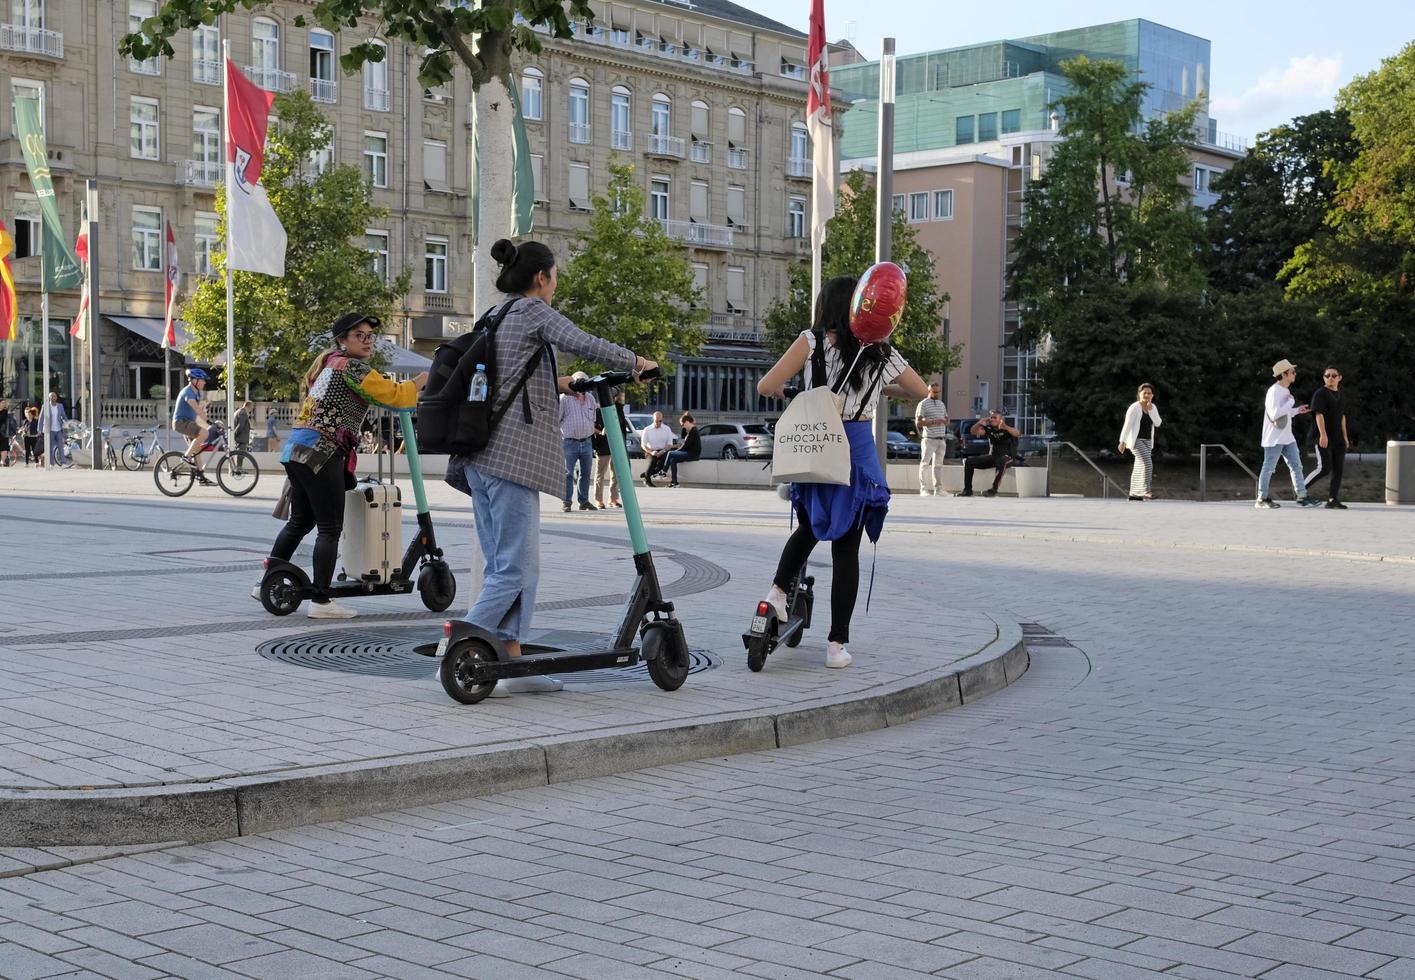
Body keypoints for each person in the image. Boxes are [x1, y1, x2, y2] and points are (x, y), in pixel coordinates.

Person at [450, 238, 656, 697]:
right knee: (516, 570)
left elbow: (508, 377)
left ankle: (515, 666)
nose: (556, 283)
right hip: (511, 460)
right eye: (555, 275)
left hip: (480, 458)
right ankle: (461, 643)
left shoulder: (497, 315)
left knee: (507, 565)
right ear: (541, 276)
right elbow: (583, 341)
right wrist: (637, 363)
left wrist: (561, 382)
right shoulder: (533, 311)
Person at [756, 275, 929, 669]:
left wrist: (798, 393)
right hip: (855, 451)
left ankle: (779, 593)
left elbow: (768, 384)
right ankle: (836, 646)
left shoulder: (811, 341)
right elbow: (921, 391)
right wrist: (878, 389)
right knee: (846, 550)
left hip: (817, 442)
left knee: (808, 527)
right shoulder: (880, 352)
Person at [262, 313, 428, 618]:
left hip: (297, 449)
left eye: (370, 336)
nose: (367, 341)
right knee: (329, 529)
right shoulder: (351, 366)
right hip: (322, 453)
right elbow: (393, 394)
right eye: (359, 336)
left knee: (299, 522)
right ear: (342, 340)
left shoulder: (328, 363)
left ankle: (267, 583)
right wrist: (421, 381)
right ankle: (321, 601)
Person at [1256, 358, 1319, 509]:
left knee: (1296, 466)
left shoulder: (1285, 391)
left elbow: (1284, 414)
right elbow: (1275, 413)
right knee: (1268, 467)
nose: (1294, 374)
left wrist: (1297, 410)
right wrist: (1290, 403)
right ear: (1284, 374)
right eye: (1292, 372)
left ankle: (1302, 496)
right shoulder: (1274, 391)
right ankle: (1261, 499)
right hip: (1274, 438)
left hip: (1286, 437)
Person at [1305, 365, 1351, 509]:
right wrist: (1323, 435)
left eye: (1333, 375)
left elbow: (1343, 416)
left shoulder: (1342, 395)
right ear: (1324, 378)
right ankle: (1300, 489)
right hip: (1322, 436)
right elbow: (1319, 414)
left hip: (1338, 438)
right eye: (1327, 376)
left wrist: (1345, 437)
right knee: (1324, 468)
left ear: (1339, 377)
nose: (1330, 378)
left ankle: (1333, 500)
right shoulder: (1320, 394)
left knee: (1338, 469)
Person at [559, 370, 598, 512]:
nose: (582, 386)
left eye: (584, 382)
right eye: (578, 382)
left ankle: (584, 501)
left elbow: (593, 418)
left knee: (586, 473)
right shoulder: (564, 398)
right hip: (569, 442)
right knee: (567, 473)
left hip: (587, 441)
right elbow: (557, 419)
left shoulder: (591, 399)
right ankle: (566, 501)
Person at [958, 411, 1020, 497]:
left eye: (995, 418)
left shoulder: (1007, 430)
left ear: (1000, 419)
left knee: (1002, 461)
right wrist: (979, 423)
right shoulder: (990, 429)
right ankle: (967, 490)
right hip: (994, 457)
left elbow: (1017, 433)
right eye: (991, 417)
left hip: (1008, 458)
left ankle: (993, 490)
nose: (992, 419)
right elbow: (973, 431)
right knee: (969, 461)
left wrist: (1004, 426)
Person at [1118, 383, 1162, 500]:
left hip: (1147, 441)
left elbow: (1158, 423)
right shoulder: (1134, 407)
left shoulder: (1153, 407)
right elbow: (1127, 425)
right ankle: (1146, 490)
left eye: (1149, 393)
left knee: (1139, 465)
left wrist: (1151, 410)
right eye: (1144, 393)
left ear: (1152, 395)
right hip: (1135, 441)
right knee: (1147, 463)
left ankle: (1134, 493)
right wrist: (1122, 441)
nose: (1147, 395)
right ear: (1139, 394)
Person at [172, 369, 214, 485]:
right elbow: (195, 408)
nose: (204, 383)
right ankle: (186, 457)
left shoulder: (196, 393)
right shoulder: (188, 392)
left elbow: (197, 412)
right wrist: (205, 419)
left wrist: (208, 420)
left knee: (197, 450)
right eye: (202, 380)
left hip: (188, 422)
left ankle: (201, 477)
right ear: (195, 380)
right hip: (181, 422)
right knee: (204, 433)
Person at [914, 383, 949, 495]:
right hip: (929, 439)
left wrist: (945, 421)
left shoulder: (941, 404)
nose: (937, 394)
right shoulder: (923, 404)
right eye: (934, 392)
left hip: (941, 439)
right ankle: (923, 489)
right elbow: (918, 422)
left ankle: (938, 489)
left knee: (938, 465)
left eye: (938, 392)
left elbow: (947, 420)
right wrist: (933, 422)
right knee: (925, 464)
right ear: (929, 391)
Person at [591, 416, 621, 509]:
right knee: (600, 475)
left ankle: (613, 499)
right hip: (602, 447)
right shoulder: (597, 411)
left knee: (615, 474)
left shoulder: (616, 410)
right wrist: (601, 432)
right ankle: (598, 500)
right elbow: (590, 426)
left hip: (616, 446)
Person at [640, 411, 675, 486]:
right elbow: (643, 445)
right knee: (652, 462)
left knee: (662, 464)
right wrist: (652, 452)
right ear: (653, 419)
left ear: (662, 419)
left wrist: (662, 451)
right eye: (656, 421)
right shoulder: (647, 429)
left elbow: (670, 444)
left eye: (660, 421)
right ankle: (647, 481)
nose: (658, 422)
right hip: (650, 451)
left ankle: (646, 474)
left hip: (663, 450)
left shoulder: (667, 429)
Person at [666, 412, 701, 487]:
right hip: (689, 453)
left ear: (687, 422)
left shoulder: (693, 431)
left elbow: (685, 446)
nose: (682, 426)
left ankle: (663, 472)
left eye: (682, 424)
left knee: (670, 453)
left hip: (692, 455)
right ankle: (674, 482)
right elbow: (684, 439)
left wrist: (676, 451)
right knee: (673, 460)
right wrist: (685, 429)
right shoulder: (690, 431)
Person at [37, 391, 67, 466]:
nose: (53, 397)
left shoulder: (60, 406)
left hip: (59, 429)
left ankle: (63, 463)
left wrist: (68, 424)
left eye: (55, 396)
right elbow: (41, 418)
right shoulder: (45, 406)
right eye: (52, 396)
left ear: (56, 397)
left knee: (61, 447)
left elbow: (64, 416)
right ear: (49, 398)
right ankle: (51, 463)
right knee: (50, 448)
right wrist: (39, 430)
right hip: (49, 430)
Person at [0, 399, 13, 467]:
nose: (4, 404)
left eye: (4, 403)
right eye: (2, 403)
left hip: (4, 433)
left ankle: (3, 462)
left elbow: (11, 422)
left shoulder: (7, 412)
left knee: (4, 448)